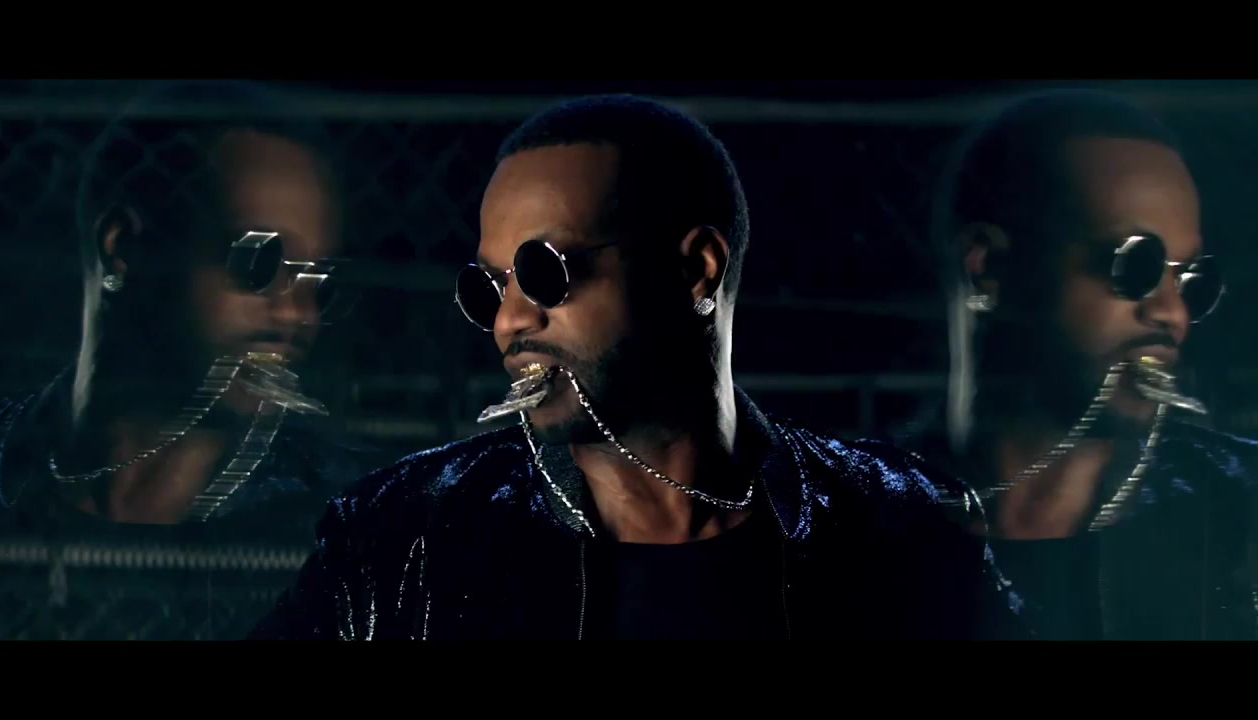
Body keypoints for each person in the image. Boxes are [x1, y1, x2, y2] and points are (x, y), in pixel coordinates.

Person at [251, 94, 1023, 641]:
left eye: (547, 271)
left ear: (696, 270)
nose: (510, 321)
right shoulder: (401, 539)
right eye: (487, 288)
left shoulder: (902, 529)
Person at [0, 80, 386, 639]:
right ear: (122, 248)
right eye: (259, 261)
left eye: (319, 281)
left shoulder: (358, 525)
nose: (299, 314)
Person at [909, 88, 1256, 639]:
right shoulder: (845, 521)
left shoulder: (1239, 512)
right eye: (1134, 264)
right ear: (989, 267)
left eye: (1192, 280)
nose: (1172, 314)